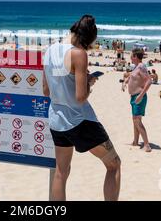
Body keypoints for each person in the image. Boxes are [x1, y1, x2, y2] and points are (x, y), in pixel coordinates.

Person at [43, 15, 121, 201]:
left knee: (61, 173)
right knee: (114, 164)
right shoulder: (78, 54)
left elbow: (46, 91)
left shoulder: (49, 50)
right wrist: (88, 82)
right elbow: (80, 97)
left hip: (56, 120)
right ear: (86, 39)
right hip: (79, 120)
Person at [122, 48, 152, 152]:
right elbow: (132, 76)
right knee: (135, 119)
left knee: (137, 120)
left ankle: (147, 145)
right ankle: (135, 141)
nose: (130, 57)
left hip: (139, 96)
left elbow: (149, 81)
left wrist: (141, 95)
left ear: (135, 56)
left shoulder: (141, 66)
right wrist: (125, 81)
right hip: (134, 97)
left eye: (131, 55)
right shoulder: (136, 67)